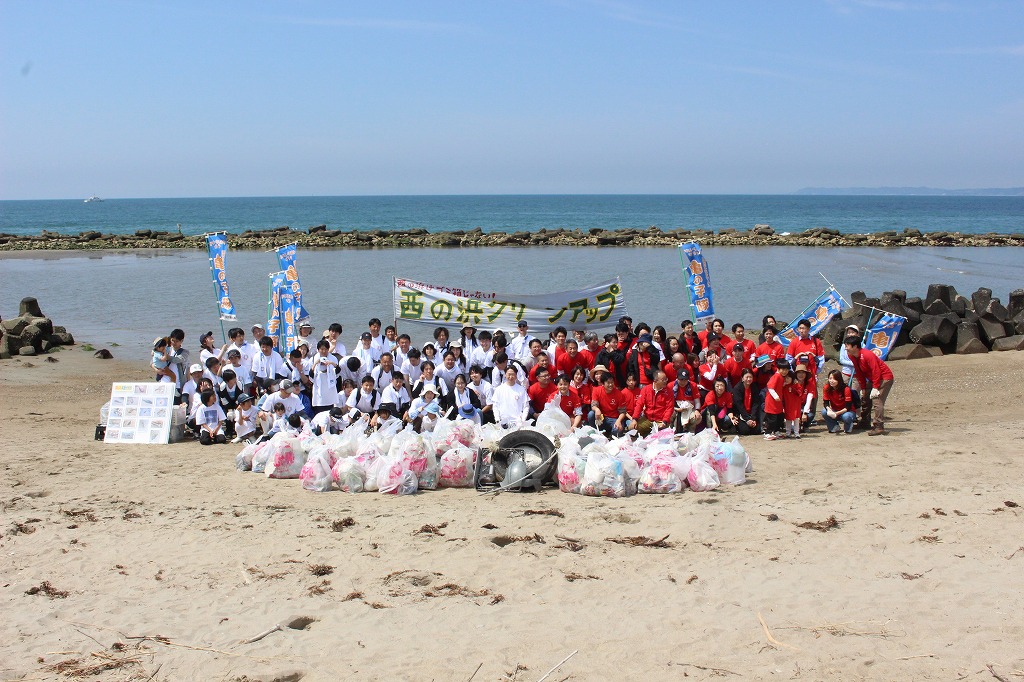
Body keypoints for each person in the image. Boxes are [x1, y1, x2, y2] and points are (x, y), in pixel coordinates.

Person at [844, 337, 895, 436]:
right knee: (865, 397)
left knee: (877, 400)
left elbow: (876, 370)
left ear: (855, 346)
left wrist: (875, 387)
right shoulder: (852, 355)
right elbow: (859, 371)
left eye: (847, 346)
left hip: (884, 377)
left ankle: (879, 425)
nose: (846, 348)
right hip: (873, 379)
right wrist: (863, 387)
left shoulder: (867, 355)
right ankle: (865, 421)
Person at [590, 372, 630, 436]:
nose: (611, 385)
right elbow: (593, 405)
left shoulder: (619, 394)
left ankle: (610, 434)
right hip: (602, 417)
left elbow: (623, 412)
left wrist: (619, 420)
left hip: (614, 418)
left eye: (612, 382)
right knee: (591, 414)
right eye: (608, 383)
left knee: (617, 430)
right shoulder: (596, 390)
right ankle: (597, 432)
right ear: (603, 383)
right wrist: (597, 409)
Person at [308, 339, 340, 415]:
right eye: (322, 349)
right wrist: (316, 363)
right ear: (318, 349)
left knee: (330, 408)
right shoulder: (313, 359)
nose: (324, 351)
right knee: (319, 410)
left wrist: (331, 363)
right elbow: (310, 375)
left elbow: (338, 373)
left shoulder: (333, 358)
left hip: (330, 387)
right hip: (319, 387)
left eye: (325, 349)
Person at [821, 370, 856, 434]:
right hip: (835, 409)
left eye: (834, 379)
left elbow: (848, 407)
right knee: (824, 411)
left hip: (847, 411)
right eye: (830, 378)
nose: (832, 381)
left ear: (839, 380)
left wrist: (836, 413)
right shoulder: (826, 387)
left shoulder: (846, 389)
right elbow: (826, 403)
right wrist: (829, 410)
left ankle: (848, 426)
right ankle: (834, 427)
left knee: (846, 416)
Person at [763, 358, 790, 440]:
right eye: (783, 369)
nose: (785, 371)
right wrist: (775, 396)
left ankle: (776, 431)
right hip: (772, 402)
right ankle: (767, 433)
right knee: (772, 419)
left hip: (777, 403)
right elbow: (770, 387)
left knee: (779, 417)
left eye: (787, 369)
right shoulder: (776, 376)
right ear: (778, 369)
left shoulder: (780, 377)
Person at [731, 368, 762, 436]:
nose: (749, 379)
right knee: (745, 431)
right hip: (741, 413)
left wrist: (753, 418)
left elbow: (756, 403)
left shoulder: (754, 387)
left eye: (750, 377)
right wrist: (747, 419)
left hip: (751, 413)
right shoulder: (737, 388)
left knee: (757, 430)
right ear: (742, 378)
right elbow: (739, 405)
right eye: (747, 377)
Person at [672, 368, 702, 433]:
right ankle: (671, 430)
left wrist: (697, 410)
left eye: (685, 380)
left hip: (689, 408)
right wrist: (677, 409)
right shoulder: (671, 386)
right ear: (677, 378)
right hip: (675, 408)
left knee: (697, 417)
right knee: (670, 414)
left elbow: (697, 401)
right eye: (681, 379)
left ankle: (690, 431)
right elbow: (668, 403)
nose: (683, 382)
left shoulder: (693, 385)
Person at [782, 366, 804, 439]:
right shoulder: (784, 386)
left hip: (795, 405)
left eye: (788, 378)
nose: (786, 379)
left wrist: (794, 390)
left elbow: (800, 393)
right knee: (788, 419)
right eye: (785, 378)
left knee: (796, 419)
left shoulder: (796, 385)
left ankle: (796, 433)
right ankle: (788, 433)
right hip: (788, 405)